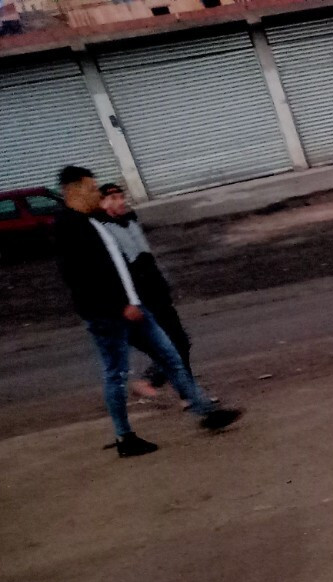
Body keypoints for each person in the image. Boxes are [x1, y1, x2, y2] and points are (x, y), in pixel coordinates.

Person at [54, 165, 239, 457]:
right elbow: (81, 280)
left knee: (171, 356)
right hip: (110, 317)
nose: (96, 194)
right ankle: (125, 438)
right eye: (91, 189)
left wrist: (133, 300)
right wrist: (120, 305)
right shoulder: (70, 227)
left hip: (135, 308)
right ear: (73, 190)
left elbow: (118, 264)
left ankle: (206, 411)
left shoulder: (91, 221)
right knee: (115, 374)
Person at [97, 181, 192, 399]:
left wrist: (162, 284)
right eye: (112, 199)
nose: (120, 202)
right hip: (140, 298)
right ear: (102, 203)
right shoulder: (103, 231)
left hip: (157, 292)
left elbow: (147, 257)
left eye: (121, 197)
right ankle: (157, 382)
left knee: (179, 342)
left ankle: (185, 394)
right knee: (174, 343)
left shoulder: (130, 221)